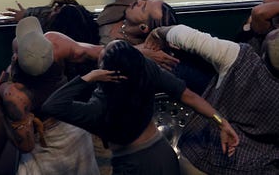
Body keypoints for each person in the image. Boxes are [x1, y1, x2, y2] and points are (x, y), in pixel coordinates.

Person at [41, 39, 239, 175]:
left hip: (133, 166)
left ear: (103, 70)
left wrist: (88, 78)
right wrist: (221, 122)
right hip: (164, 156)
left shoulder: (98, 109)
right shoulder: (146, 71)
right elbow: (188, 96)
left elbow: (52, 105)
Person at [144, 23, 279, 174]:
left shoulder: (238, 57)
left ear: (264, 52)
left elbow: (187, 36)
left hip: (198, 159)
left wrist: (159, 32)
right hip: (255, 168)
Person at [0, 16, 101, 175]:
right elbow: (100, 51)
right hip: (74, 132)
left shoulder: (14, 95)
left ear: (16, 57)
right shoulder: (56, 44)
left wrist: (1, 111)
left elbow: (26, 146)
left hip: (47, 148)